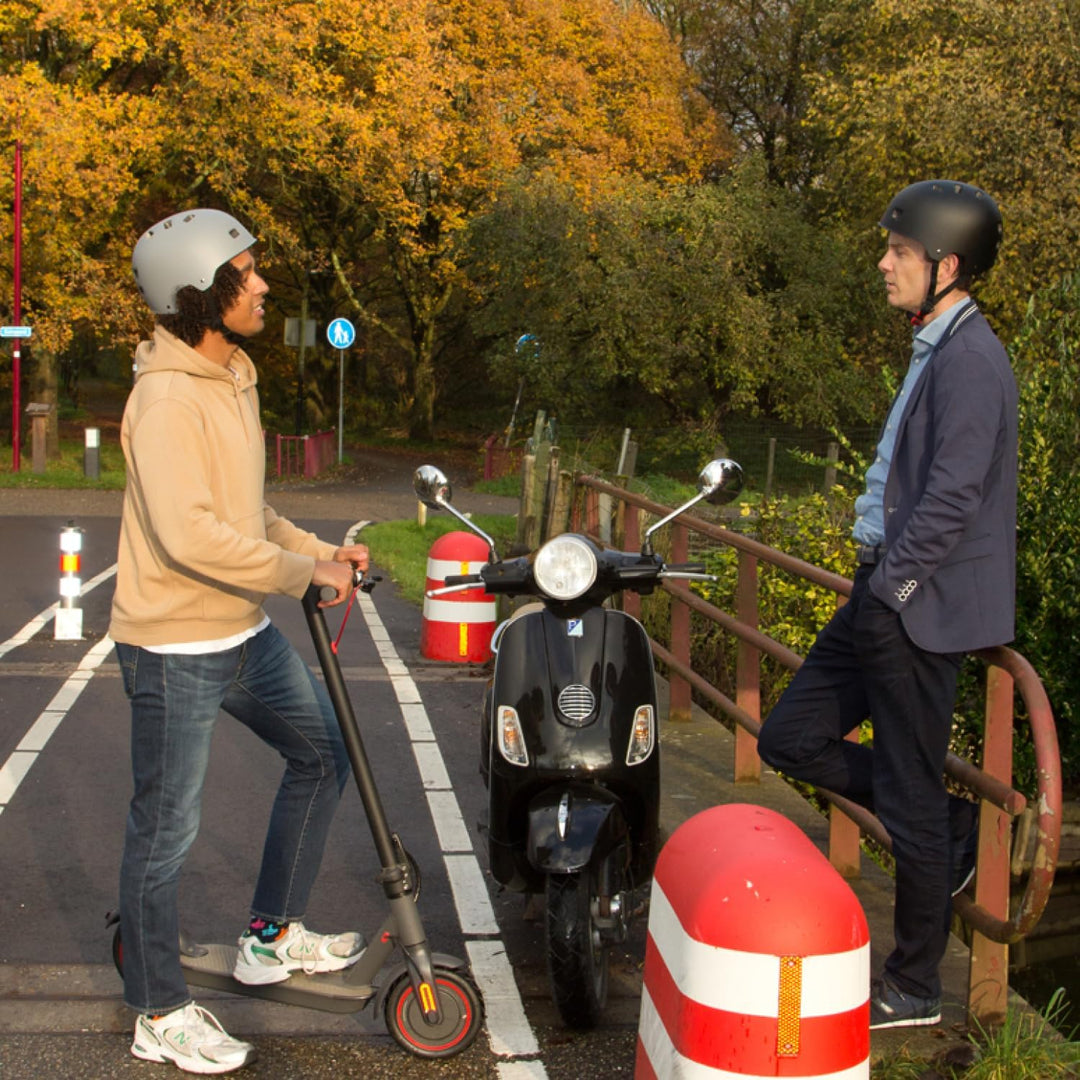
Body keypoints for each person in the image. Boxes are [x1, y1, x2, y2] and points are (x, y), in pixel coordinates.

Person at [110, 208, 371, 1073]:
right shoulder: (165, 398)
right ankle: (156, 1010)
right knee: (166, 832)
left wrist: (321, 552)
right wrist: (304, 578)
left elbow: (245, 514)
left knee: (324, 753)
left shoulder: (234, 378)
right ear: (198, 294)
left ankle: (270, 937)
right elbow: (189, 536)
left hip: (239, 627)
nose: (261, 285)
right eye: (244, 275)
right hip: (175, 643)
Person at [757, 180, 1017, 1029]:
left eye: (899, 251)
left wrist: (893, 592)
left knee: (902, 789)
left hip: (917, 602)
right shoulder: (936, 347)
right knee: (789, 737)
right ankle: (947, 829)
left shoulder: (973, 359)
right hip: (886, 590)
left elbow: (952, 496)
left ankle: (912, 986)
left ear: (946, 264)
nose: (884, 262)